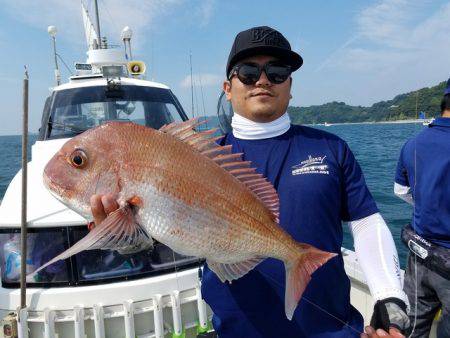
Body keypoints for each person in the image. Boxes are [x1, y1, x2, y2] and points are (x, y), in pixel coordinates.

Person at [90, 26, 410, 338]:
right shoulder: (194, 161)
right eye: (247, 71)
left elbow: (365, 221)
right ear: (227, 88)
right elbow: (163, 233)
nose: (262, 81)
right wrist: (128, 238)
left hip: (334, 330)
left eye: (277, 71)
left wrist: (389, 295)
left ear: (290, 84)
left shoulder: (330, 148)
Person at [394, 78, 450, 338]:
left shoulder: (412, 144)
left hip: (418, 253)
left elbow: (400, 191)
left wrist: (428, 203)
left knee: (414, 326)